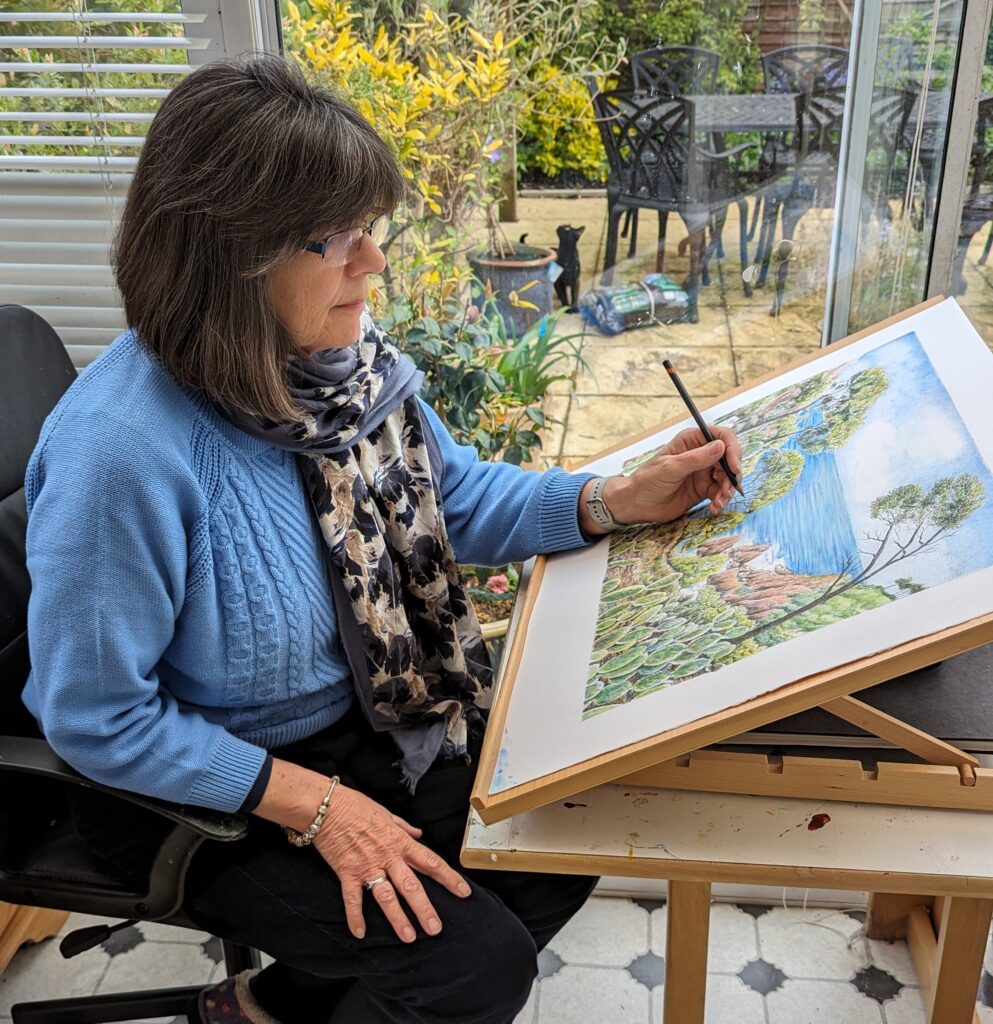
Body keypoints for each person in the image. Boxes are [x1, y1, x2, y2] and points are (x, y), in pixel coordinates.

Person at [22, 54, 742, 1024]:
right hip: (193, 790)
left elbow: (454, 498)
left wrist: (615, 499)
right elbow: (98, 718)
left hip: (362, 721)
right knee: (473, 970)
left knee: (566, 834)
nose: (374, 262)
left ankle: (265, 1009)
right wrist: (319, 808)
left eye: (372, 229)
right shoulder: (122, 451)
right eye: (338, 239)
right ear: (232, 256)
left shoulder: (340, 368)